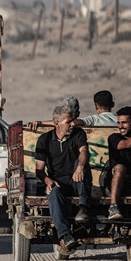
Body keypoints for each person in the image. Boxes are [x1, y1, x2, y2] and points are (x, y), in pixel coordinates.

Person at [34, 106, 93, 251]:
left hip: (76, 179)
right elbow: (39, 170)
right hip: (58, 181)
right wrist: (48, 181)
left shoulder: (78, 134)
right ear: (56, 123)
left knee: (81, 164)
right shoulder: (44, 139)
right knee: (53, 192)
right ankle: (65, 235)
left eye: (72, 121)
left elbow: (84, 151)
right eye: (68, 121)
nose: (72, 124)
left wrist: (79, 166)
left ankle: (83, 208)